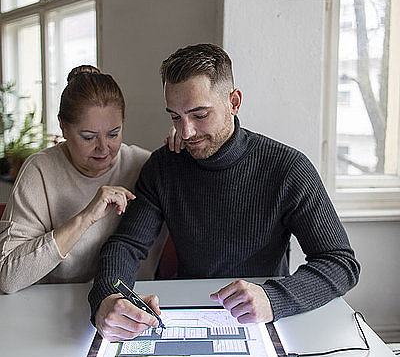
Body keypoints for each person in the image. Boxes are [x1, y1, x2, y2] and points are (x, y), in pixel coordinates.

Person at [89, 44, 360, 341]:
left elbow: (340, 263)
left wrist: (274, 298)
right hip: (184, 315)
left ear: (234, 102)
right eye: (175, 117)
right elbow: (126, 244)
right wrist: (108, 297)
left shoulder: (287, 168)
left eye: (199, 114)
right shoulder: (164, 166)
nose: (187, 132)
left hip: (263, 320)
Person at [0, 66, 167, 294]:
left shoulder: (145, 165)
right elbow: (8, 278)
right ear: (63, 126)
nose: (103, 148)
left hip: (132, 305)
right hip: (51, 308)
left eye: (113, 134)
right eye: (88, 137)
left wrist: (184, 151)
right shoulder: (40, 171)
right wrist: (85, 218)